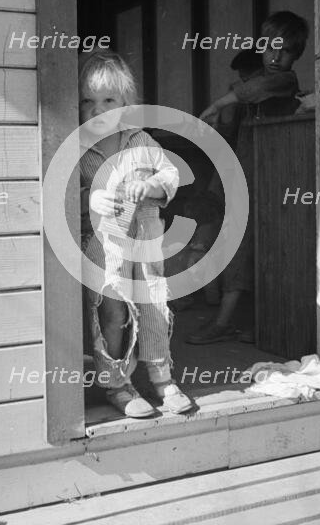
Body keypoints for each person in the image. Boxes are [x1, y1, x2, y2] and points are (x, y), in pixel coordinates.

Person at [79, 49, 192, 418]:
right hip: (104, 246)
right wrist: (92, 197)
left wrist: (154, 187)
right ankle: (117, 384)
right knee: (113, 313)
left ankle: (162, 378)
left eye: (108, 101)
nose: (98, 110)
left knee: (153, 305)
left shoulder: (141, 141)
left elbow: (170, 175)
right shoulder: (78, 150)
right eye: (88, 102)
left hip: (145, 242)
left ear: (126, 104)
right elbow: (65, 195)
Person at [187, 11, 309, 344]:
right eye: (270, 48)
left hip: (273, 182)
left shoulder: (285, 81)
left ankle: (226, 322)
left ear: (295, 55)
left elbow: (259, 86)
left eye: (284, 51)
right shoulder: (253, 89)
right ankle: (233, 320)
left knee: (256, 250)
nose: (275, 57)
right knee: (238, 246)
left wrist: (216, 104)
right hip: (247, 180)